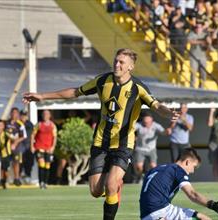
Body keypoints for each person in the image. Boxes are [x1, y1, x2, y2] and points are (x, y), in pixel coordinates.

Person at [23, 48, 180, 220]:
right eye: (116, 60)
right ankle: (115, 188)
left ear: (130, 67)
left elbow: (156, 106)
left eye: (122, 62)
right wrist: (43, 96)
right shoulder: (103, 81)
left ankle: (113, 193)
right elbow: (75, 92)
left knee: (111, 184)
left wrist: (168, 112)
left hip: (123, 144)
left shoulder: (138, 88)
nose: (117, 64)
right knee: (96, 191)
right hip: (100, 142)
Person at [139, 148, 218, 220]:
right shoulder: (178, 170)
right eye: (194, 167)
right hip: (159, 212)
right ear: (187, 162)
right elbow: (192, 195)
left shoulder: (156, 169)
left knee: (202, 217)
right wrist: (212, 205)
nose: (193, 171)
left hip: (147, 214)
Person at [0, 107, 27, 186]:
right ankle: (2, 180)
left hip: (15, 146)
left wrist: (15, 143)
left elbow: (24, 136)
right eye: (12, 113)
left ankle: (16, 179)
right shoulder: (6, 122)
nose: (14, 114)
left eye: (15, 113)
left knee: (16, 162)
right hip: (5, 147)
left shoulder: (20, 124)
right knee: (3, 163)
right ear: (10, 114)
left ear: (17, 114)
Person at [133, 113, 169, 183]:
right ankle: (140, 177)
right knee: (139, 166)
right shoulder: (139, 125)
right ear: (143, 121)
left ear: (152, 121)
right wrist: (133, 137)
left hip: (151, 149)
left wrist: (167, 131)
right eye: (145, 122)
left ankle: (153, 179)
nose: (146, 124)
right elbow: (131, 129)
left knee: (153, 166)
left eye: (148, 122)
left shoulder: (156, 125)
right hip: (140, 149)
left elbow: (163, 132)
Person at [31, 110, 57, 189]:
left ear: (50, 116)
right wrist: (32, 146)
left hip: (48, 148)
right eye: (44, 114)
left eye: (47, 114)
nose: (45, 115)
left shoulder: (52, 125)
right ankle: (41, 182)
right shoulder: (39, 124)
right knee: (41, 164)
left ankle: (45, 182)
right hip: (39, 147)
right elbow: (33, 135)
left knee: (47, 165)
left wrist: (53, 147)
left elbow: (55, 137)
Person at [187, 21, 212, 88]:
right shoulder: (192, 34)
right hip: (194, 55)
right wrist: (201, 42)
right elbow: (190, 41)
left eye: (199, 27)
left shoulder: (205, 35)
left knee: (203, 73)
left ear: (202, 28)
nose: (198, 29)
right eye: (196, 27)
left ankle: (202, 86)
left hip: (202, 56)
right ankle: (192, 86)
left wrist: (208, 39)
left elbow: (209, 42)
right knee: (193, 72)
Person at [19, 110, 34, 184]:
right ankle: (19, 177)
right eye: (22, 115)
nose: (23, 117)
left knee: (29, 161)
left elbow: (32, 135)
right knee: (20, 162)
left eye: (25, 115)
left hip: (28, 145)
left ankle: (28, 176)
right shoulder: (18, 123)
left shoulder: (30, 124)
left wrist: (32, 146)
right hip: (20, 145)